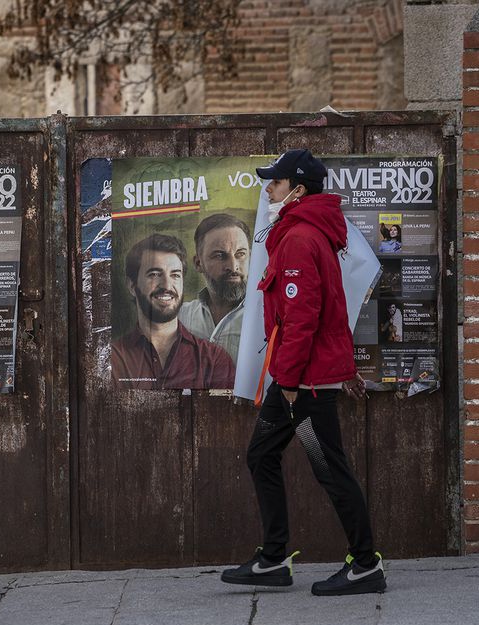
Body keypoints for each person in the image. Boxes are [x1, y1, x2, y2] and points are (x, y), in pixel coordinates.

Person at [220, 149, 383, 595]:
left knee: (329, 466)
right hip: (300, 379)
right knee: (262, 455)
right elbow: (329, 306)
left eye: (274, 183)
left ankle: (365, 564)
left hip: (303, 384)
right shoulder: (304, 233)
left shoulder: (299, 239)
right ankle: (272, 559)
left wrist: (288, 382)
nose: (267, 189)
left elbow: (303, 316)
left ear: (297, 190)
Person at [111, 233, 235, 390]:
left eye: (175, 275)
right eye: (155, 274)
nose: (167, 285)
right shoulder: (112, 358)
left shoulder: (214, 360)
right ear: (132, 285)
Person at [179, 213, 250, 363]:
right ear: (198, 263)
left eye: (241, 254)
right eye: (219, 255)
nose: (233, 266)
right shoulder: (180, 317)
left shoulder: (265, 319)